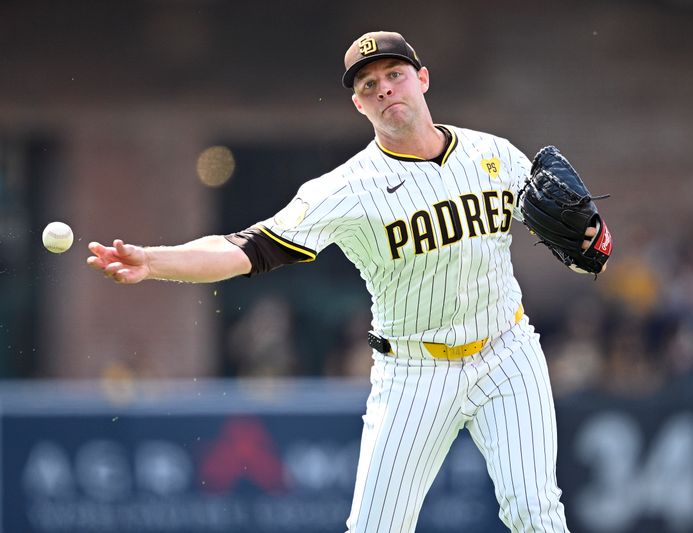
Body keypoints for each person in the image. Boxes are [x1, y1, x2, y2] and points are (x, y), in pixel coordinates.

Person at [88, 30, 601, 533]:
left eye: (394, 75)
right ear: (359, 105)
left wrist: (592, 244)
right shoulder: (345, 190)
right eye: (368, 85)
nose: (384, 90)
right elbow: (245, 248)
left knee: (536, 514)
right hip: (415, 371)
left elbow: (574, 240)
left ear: (422, 79)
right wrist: (154, 261)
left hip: (507, 351)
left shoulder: (493, 154)